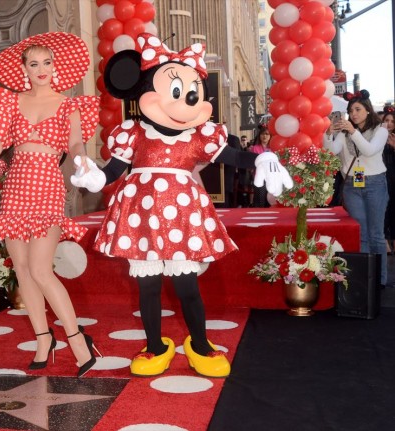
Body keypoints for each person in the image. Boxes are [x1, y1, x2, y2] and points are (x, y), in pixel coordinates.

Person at [71, 33, 292, 378]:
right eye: (178, 92)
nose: (187, 101)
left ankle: (199, 344)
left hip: (182, 219)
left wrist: (259, 160)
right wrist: (94, 178)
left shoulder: (199, 136)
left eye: (193, 93)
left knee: (187, 283)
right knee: (148, 285)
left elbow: (231, 156)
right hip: (141, 217)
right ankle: (156, 345)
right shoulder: (133, 133)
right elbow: (112, 171)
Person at [0, 32, 101, 377]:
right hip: (15, 189)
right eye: (34, 63)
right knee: (24, 269)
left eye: (47, 62)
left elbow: (75, 145)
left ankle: (77, 341)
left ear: (54, 66)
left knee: (43, 270)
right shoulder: (11, 103)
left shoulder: (70, 104)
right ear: (24, 69)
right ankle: (44, 340)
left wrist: (83, 161)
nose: (41, 69)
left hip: (47, 186)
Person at [324, 89, 389, 288]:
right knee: (361, 233)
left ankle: (380, 279)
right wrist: (327, 134)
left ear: (368, 110)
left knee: (376, 234)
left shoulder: (381, 130)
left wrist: (353, 132)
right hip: (352, 185)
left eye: (358, 109)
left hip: (375, 183)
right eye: (351, 110)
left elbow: (369, 151)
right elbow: (331, 152)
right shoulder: (345, 133)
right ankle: (365, 276)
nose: (353, 114)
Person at [381, 107, 395, 255]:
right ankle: (384, 240)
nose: (390, 123)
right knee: (383, 209)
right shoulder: (377, 137)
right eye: (387, 120)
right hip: (381, 178)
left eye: (392, 121)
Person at [249, 124, 273, 207]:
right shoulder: (254, 148)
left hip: (271, 177)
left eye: (267, 134)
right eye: (262, 134)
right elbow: (252, 163)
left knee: (269, 200)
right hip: (260, 177)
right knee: (260, 199)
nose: (264, 136)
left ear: (270, 136)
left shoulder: (273, 148)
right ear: (259, 136)